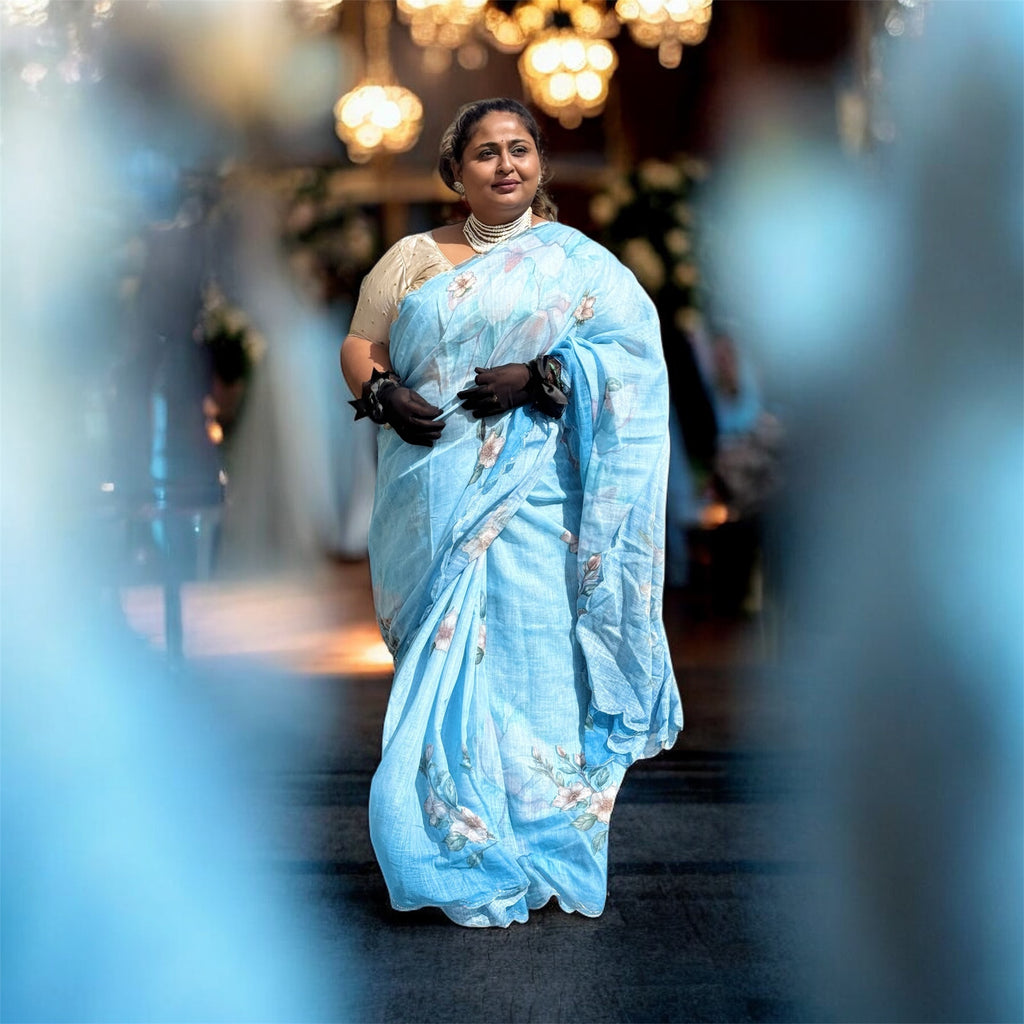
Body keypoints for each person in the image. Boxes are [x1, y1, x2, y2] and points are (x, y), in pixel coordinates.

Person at [340, 98, 683, 928]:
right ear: (455, 172)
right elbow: (362, 342)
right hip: (433, 488)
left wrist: (540, 378)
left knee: (538, 663)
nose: (506, 165)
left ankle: (541, 841)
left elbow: (633, 358)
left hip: (540, 499)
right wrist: (381, 392)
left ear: (540, 163)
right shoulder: (412, 257)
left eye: (520, 149)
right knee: (447, 661)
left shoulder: (580, 263)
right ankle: (452, 843)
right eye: (487, 153)